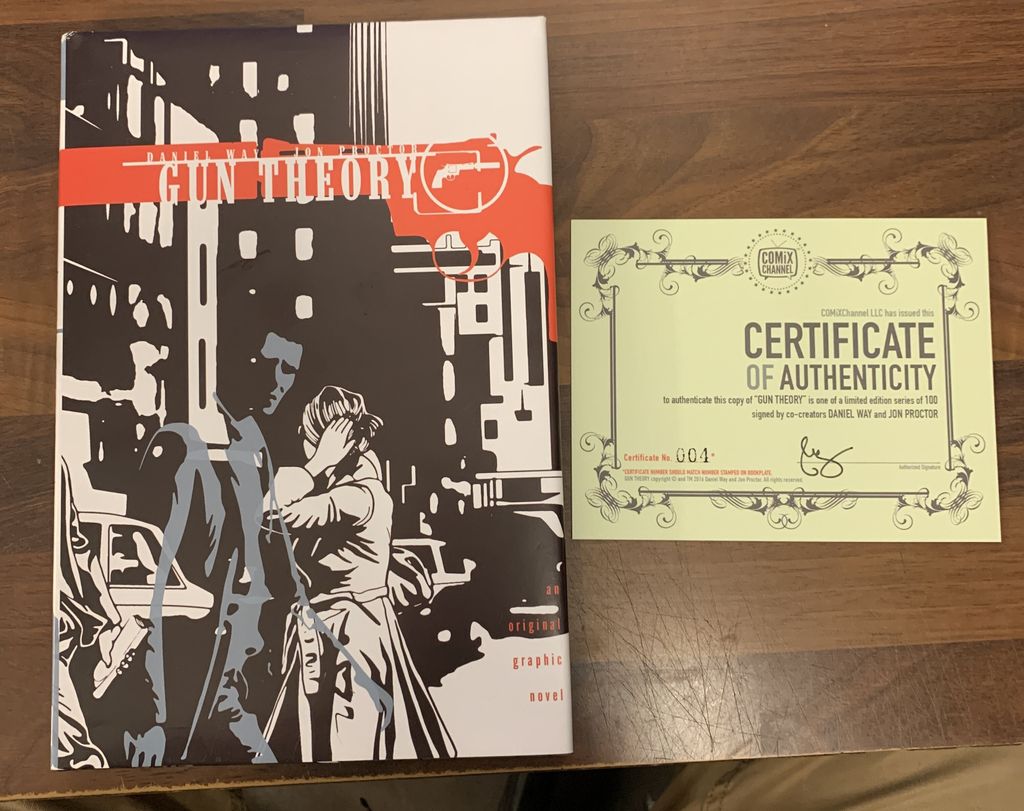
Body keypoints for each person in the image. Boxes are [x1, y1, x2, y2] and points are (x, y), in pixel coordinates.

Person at [269, 386, 455, 760]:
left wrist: (316, 464)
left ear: (325, 443)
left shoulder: (354, 497)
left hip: (348, 637)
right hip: (345, 631)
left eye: (307, 438)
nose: (303, 446)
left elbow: (270, 515)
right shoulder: (360, 491)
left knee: (345, 746)